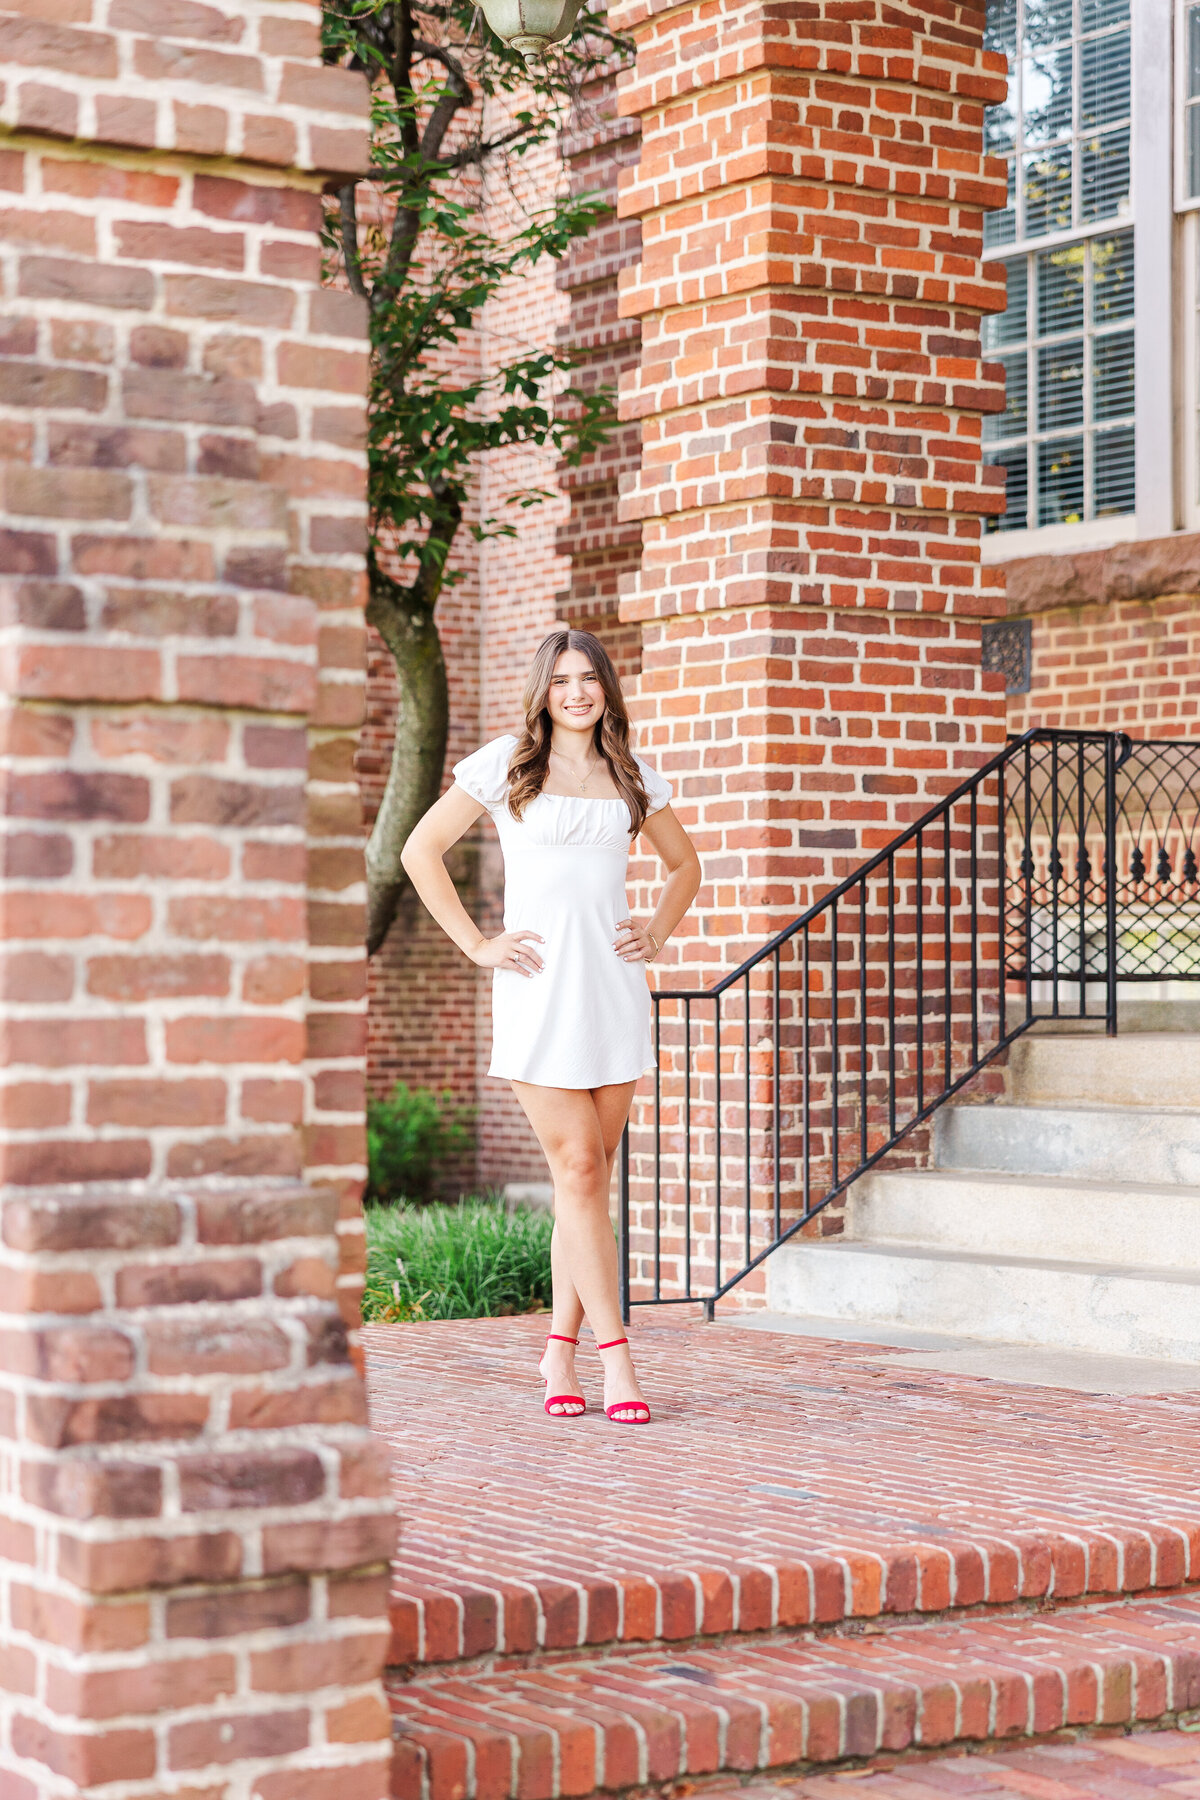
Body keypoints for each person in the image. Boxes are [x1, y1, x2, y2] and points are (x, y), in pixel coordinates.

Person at [400, 629, 702, 1423]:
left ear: (606, 687)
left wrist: (659, 931)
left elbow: (686, 866)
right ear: (543, 690)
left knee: (588, 1181)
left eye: (589, 678)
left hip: (613, 989)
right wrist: (476, 944)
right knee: (576, 1166)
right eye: (561, 679)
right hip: (537, 989)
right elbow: (420, 850)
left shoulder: (631, 773)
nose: (576, 692)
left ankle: (557, 1352)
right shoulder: (506, 763)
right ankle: (618, 1362)